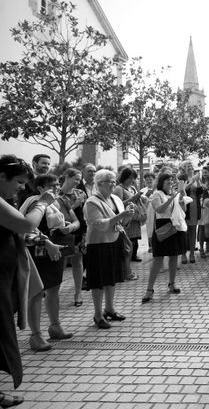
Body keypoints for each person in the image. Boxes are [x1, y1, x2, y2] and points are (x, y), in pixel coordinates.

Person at [0, 155, 56, 408]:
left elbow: (16, 235)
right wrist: (42, 205)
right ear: (2, 177)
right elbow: (24, 224)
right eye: (20, 182)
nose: (22, 188)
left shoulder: (6, 199)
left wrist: (37, 240)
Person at [20, 174, 77, 351]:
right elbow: (27, 227)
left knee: (54, 289)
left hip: (55, 250)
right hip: (37, 252)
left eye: (57, 184)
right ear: (40, 188)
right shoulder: (34, 201)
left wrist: (66, 225)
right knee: (36, 293)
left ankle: (55, 326)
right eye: (51, 185)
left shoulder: (55, 202)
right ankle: (35, 336)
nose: (55, 188)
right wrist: (46, 241)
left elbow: (64, 220)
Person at [83, 169, 136, 329]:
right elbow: (98, 224)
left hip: (114, 241)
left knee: (112, 278)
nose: (113, 184)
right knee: (99, 281)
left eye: (114, 180)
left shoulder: (115, 199)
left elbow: (123, 223)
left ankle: (110, 309)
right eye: (109, 181)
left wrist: (129, 215)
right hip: (98, 245)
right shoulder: (91, 202)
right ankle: (98, 315)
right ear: (99, 184)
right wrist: (121, 216)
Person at [141, 173, 188, 303]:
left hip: (175, 226)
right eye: (167, 180)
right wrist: (171, 199)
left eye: (172, 181)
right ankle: (149, 290)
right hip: (163, 227)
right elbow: (159, 209)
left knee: (174, 256)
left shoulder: (174, 193)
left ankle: (172, 284)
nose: (170, 182)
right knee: (158, 259)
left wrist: (181, 198)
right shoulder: (157, 194)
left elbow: (184, 210)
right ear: (161, 182)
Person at [57, 168, 87, 307]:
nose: (78, 182)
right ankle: (55, 292)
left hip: (79, 232)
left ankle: (78, 293)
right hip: (62, 233)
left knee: (78, 262)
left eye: (79, 179)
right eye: (75, 179)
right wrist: (75, 205)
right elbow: (60, 214)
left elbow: (84, 214)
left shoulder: (80, 193)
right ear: (66, 177)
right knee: (60, 264)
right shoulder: (58, 194)